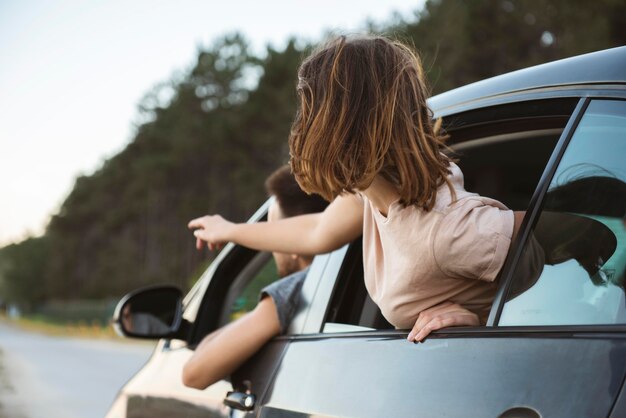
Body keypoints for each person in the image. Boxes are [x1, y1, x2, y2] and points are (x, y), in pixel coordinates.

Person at [189, 35, 525, 345]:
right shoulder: (374, 194)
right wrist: (230, 230)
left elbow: (574, 231)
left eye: (309, 109)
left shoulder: (445, 230)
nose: (302, 124)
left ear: (339, 125)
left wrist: (484, 321)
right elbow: (316, 232)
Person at [182, 165, 327, 389]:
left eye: (272, 232)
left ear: (292, 239)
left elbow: (193, 374)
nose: (272, 248)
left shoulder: (297, 289)